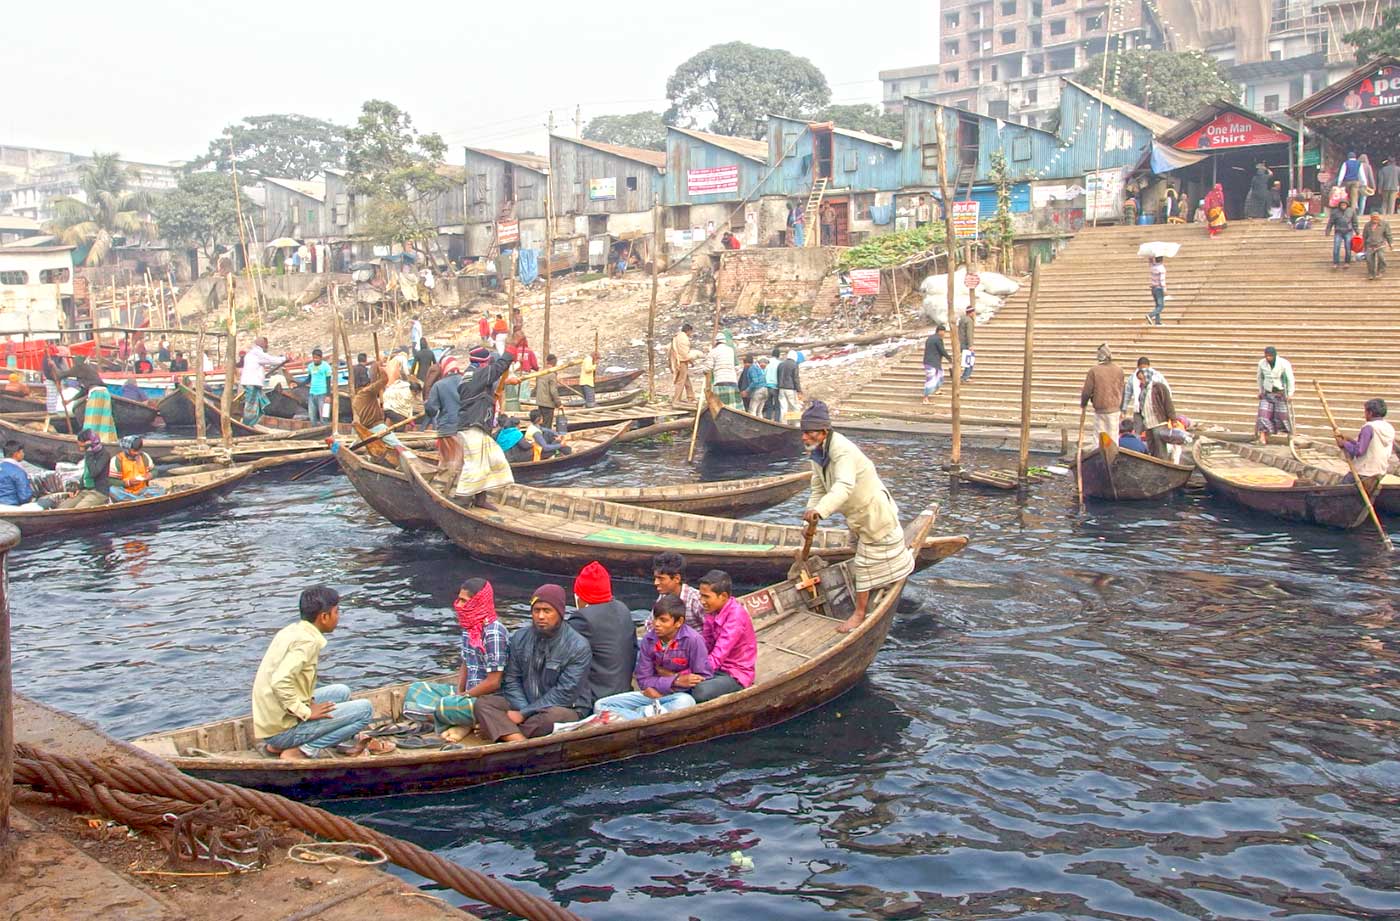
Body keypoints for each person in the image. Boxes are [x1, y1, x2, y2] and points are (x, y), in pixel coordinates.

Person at [800, 401, 914, 633]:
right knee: (858, 552)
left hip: (873, 512)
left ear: (823, 432)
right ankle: (874, 586)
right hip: (856, 516)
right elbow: (818, 488)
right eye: (803, 433)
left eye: (809, 433)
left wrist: (821, 511)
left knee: (864, 563)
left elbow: (844, 485)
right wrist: (809, 518)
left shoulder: (842, 450)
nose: (804, 438)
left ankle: (860, 614)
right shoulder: (818, 451)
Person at [253, 586, 394, 760]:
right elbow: (279, 681)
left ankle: (275, 746)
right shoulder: (307, 642)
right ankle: (303, 750)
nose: (338, 617)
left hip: (273, 721)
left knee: (342, 692)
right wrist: (306, 712)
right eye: (337, 612)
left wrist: (309, 702)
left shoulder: (293, 630)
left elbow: (294, 681)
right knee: (365, 710)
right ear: (324, 617)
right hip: (281, 729)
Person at [474, 584, 592, 742]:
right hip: (525, 702)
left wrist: (524, 714)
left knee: (550, 718)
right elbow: (511, 679)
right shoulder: (520, 638)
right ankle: (517, 740)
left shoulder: (578, 646)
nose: (541, 616)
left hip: (564, 707)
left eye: (547, 611)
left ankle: (502, 732)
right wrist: (523, 709)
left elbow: (564, 693)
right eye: (537, 611)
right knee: (483, 703)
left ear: (560, 613)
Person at [403, 578, 510, 736]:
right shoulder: (469, 628)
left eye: (463, 601)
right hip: (468, 694)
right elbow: (466, 663)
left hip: (487, 700)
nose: (457, 605)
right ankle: (457, 719)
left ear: (477, 602)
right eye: (458, 599)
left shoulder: (493, 633)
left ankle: (462, 721)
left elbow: (494, 682)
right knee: (415, 690)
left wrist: (465, 696)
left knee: (445, 705)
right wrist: (459, 692)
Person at [593, 595, 712, 722]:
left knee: (686, 702)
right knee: (600, 705)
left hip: (678, 696)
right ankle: (647, 713)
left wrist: (670, 679)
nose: (656, 624)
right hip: (652, 694)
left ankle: (639, 714)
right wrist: (675, 680)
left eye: (663, 620)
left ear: (679, 622)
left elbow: (703, 676)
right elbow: (643, 679)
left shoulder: (693, 640)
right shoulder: (648, 640)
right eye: (655, 619)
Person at [670, 570, 755, 703]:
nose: (702, 601)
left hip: (734, 673)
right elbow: (705, 644)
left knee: (700, 691)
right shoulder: (712, 612)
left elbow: (719, 654)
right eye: (701, 596)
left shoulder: (736, 616)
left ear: (723, 596)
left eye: (706, 597)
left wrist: (688, 674)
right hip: (715, 668)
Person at [567, 562, 638, 712]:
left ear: (580, 596)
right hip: (624, 689)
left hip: (597, 696)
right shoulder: (622, 609)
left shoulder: (582, 619)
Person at [454, 350, 515, 507]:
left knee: (491, 459)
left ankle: (481, 499)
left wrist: (506, 382)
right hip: (471, 427)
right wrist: (511, 349)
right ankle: (462, 499)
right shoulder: (476, 375)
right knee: (474, 464)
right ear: (483, 363)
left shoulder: (472, 375)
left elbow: (491, 383)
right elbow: (498, 368)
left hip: (477, 426)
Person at [424, 356, 465, 491]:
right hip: (465, 428)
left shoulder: (439, 385)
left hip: (447, 428)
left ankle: (446, 489)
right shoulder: (466, 381)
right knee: (462, 461)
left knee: (448, 463)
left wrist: (427, 404)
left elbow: (431, 409)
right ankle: (461, 488)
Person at [1336, 398, 1395, 486]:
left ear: (1370, 413)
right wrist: (1350, 441)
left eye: (1365, 412)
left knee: (1340, 490)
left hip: (1364, 472)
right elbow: (1370, 446)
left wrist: (1344, 443)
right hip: (1379, 472)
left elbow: (1359, 451)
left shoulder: (1368, 427)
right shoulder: (1389, 427)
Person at [1081, 344, 1125, 442]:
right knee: (1113, 437)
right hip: (1114, 408)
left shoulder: (1094, 371)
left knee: (1099, 437)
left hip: (1100, 409)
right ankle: (1112, 456)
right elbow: (1122, 389)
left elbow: (1087, 391)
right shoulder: (1119, 370)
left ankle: (1099, 455)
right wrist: (1122, 408)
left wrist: (1083, 403)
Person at [651, 551, 705, 630]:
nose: (656, 583)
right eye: (655, 578)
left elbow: (710, 629)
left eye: (661, 578)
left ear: (677, 578)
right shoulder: (663, 597)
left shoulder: (695, 600)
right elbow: (650, 623)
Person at [58, 429, 111, 508]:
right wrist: (78, 487)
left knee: (78, 510)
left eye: (82, 446)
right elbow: (86, 473)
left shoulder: (104, 455)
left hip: (99, 492)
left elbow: (94, 472)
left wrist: (89, 453)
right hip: (85, 490)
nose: (80, 449)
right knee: (62, 507)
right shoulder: (88, 454)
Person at [1133, 367, 1177, 459]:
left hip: (1159, 423)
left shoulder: (1159, 387)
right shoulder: (1143, 391)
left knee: (1160, 449)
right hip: (1148, 425)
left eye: (1142, 379)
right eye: (1140, 379)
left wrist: (1173, 419)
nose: (1141, 381)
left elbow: (1167, 403)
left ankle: (1163, 467)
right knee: (1151, 449)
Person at [240, 336, 285, 426]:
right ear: (263, 344)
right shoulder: (257, 353)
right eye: (266, 344)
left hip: (254, 383)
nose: (267, 346)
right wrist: (284, 359)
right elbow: (271, 360)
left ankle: (253, 423)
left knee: (259, 403)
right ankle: (247, 424)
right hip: (251, 383)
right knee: (251, 404)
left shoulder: (252, 353)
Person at [1255, 346, 1294, 444]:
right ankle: (1262, 437)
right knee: (1262, 415)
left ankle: (1289, 435)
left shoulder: (1284, 363)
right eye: (1266, 356)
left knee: (1283, 416)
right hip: (1267, 393)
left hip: (1280, 394)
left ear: (1274, 355)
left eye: (1270, 356)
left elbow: (1290, 379)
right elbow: (1259, 378)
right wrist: (1260, 391)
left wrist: (1290, 393)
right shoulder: (1261, 363)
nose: (1268, 358)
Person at [107, 435, 164, 501]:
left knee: (161, 490)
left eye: (139, 450)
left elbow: (154, 470)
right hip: (125, 491)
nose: (137, 453)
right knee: (112, 490)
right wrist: (128, 482)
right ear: (127, 449)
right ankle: (137, 499)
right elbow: (110, 481)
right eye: (134, 451)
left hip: (143, 490)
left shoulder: (144, 456)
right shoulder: (116, 460)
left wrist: (150, 475)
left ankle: (136, 499)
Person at [73, 362, 117, 445]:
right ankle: (106, 440)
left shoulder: (84, 375)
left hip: (96, 394)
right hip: (105, 393)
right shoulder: (91, 375)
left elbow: (83, 391)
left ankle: (89, 440)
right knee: (105, 419)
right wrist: (70, 400)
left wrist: (53, 366)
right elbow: (84, 391)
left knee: (92, 420)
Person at [0, 441, 43, 510]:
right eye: (22, 452)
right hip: (11, 506)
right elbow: (24, 497)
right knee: (46, 502)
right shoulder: (18, 471)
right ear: (16, 454)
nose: (23, 454)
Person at [704, 335, 740, 409]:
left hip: (720, 380)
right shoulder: (730, 350)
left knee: (720, 406)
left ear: (716, 342)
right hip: (732, 380)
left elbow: (708, 367)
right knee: (733, 406)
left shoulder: (713, 351)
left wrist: (704, 370)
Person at [668, 323, 697, 404]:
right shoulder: (683, 339)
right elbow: (684, 353)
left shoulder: (677, 337)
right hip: (681, 362)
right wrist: (691, 361)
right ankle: (676, 399)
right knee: (681, 381)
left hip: (677, 360)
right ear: (688, 331)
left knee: (686, 380)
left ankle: (691, 397)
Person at [1326, 198, 1359, 269]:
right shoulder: (1335, 212)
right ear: (1339, 205)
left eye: (1344, 205)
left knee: (1348, 247)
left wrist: (1357, 231)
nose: (1343, 206)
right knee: (1336, 247)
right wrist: (1328, 231)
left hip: (1348, 231)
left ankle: (1347, 262)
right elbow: (1330, 222)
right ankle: (1335, 263)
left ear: (1347, 205)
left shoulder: (1351, 211)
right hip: (1338, 231)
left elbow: (1354, 222)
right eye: (1342, 205)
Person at [922, 326, 951, 403]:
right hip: (931, 362)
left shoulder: (930, 338)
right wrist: (950, 359)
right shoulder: (938, 339)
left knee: (940, 375)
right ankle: (925, 398)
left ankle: (938, 390)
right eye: (944, 332)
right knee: (931, 379)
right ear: (940, 331)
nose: (944, 334)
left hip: (933, 361)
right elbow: (942, 350)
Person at [1363, 212, 1394, 280]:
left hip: (1380, 244)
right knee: (1369, 260)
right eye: (1373, 218)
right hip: (1370, 244)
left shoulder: (1384, 224)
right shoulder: (1367, 225)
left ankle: (1380, 271)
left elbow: (1388, 234)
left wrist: (1391, 243)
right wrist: (1364, 246)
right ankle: (1371, 273)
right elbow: (1364, 236)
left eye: (1376, 218)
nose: (1375, 220)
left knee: (1381, 257)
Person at [533, 355, 561, 429]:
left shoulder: (540, 373)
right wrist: (559, 403)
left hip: (540, 402)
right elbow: (553, 391)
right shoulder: (552, 374)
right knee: (547, 425)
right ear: (555, 363)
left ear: (547, 361)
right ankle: (546, 439)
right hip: (548, 404)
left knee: (541, 423)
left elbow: (537, 387)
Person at [305, 348, 332, 424]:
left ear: (321, 358)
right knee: (312, 415)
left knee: (324, 416)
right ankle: (314, 429)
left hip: (322, 393)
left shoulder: (326, 366)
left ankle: (325, 430)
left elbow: (328, 381)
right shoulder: (310, 366)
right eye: (314, 358)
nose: (315, 360)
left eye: (317, 358)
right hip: (312, 393)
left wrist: (328, 395)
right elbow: (309, 378)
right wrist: (299, 384)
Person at [776, 349, 802, 422]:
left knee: (783, 407)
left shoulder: (781, 364)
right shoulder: (794, 365)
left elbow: (778, 376)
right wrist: (799, 390)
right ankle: (796, 424)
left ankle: (783, 423)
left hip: (781, 388)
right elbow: (795, 378)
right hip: (790, 389)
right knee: (794, 406)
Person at [1146, 255, 1167, 325]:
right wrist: (1164, 289)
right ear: (1162, 259)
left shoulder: (1152, 267)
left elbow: (1150, 262)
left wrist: (1151, 256)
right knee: (1161, 306)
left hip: (1153, 289)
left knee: (1157, 305)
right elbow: (1162, 280)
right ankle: (1150, 315)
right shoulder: (1162, 268)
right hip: (1159, 288)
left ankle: (1157, 321)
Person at [763, 347, 783, 420]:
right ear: (778, 355)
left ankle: (768, 418)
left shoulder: (767, 362)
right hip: (776, 386)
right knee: (777, 404)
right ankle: (777, 419)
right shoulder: (780, 363)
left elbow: (764, 373)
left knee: (769, 404)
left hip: (767, 386)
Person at [958, 305, 976, 382]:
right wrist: (970, 345)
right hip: (966, 343)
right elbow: (969, 334)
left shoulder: (962, 319)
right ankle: (965, 376)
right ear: (971, 313)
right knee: (970, 360)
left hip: (961, 342)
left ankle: (964, 375)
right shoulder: (969, 321)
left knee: (965, 360)